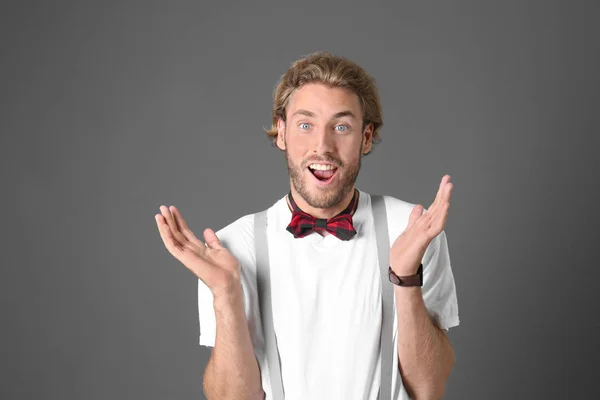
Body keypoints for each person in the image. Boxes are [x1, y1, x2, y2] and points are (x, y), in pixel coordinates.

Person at [155, 51, 459, 400]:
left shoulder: (412, 230)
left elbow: (429, 388)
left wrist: (406, 278)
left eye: (341, 127)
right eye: (305, 125)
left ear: (366, 136)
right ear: (282, 132)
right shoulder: (232, 246)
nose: (322, 146)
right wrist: (226, 294)